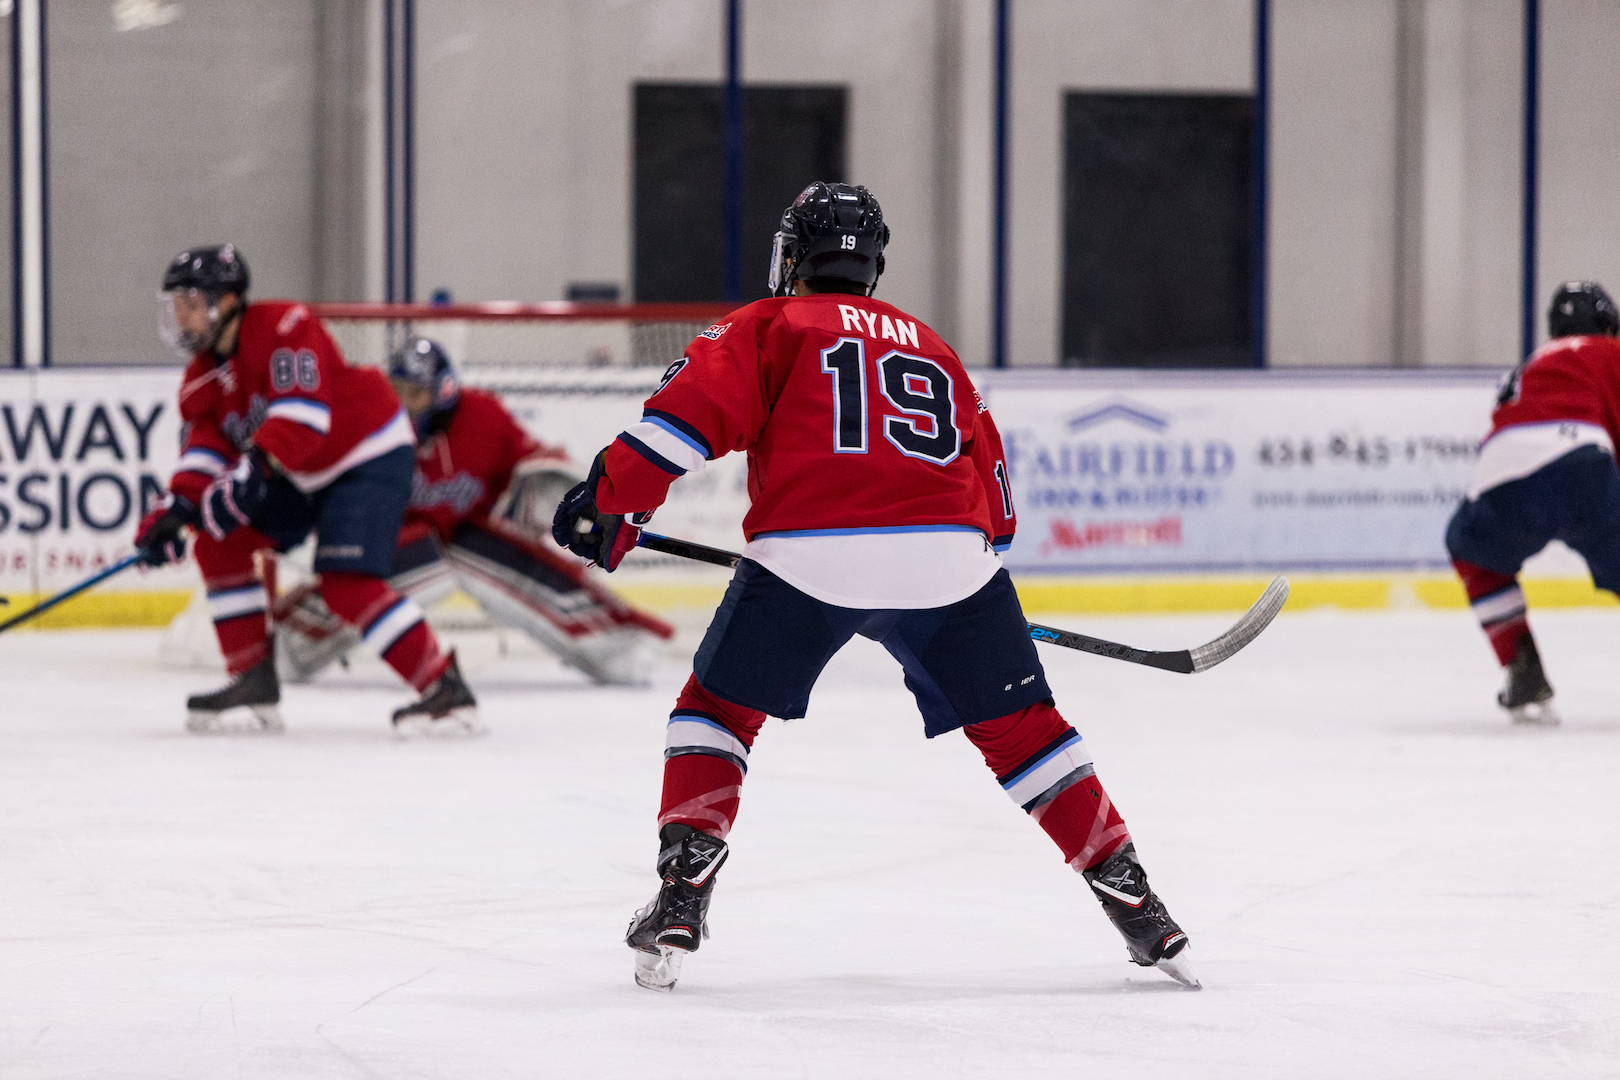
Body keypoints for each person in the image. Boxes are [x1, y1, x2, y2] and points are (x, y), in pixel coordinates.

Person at [554, 182, 1197, 992]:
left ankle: (683, 896)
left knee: (717, 712)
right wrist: (961, 581)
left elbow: (681, 425)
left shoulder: (766, 323)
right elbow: (997, 509)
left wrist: (610, 500)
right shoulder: (933, 345)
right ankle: (1139, 905)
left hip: (809, 562)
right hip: (955, 566)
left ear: (796, 253)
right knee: (1027, 733)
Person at [133, 245, 479, 735]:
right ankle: (252, 678)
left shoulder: (284, 326)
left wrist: (252, 471)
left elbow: (305, 416)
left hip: (368, 451)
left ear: (227, 300)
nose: (182, 317)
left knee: (347, 583)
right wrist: (176, 509)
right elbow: (206, 451)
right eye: (177, 306)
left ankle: (444, 688)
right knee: (218, 539)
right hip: (299, 470)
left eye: (191, 302)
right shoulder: (199, 380)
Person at [273, 337, 674, 685]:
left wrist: (568, 493)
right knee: (361, 577)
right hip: (395, 543)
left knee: (504, 560)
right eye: (397, 389)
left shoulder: (482, 417)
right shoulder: (374, 424)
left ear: (443, 390)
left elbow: (531, 461)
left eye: (416, 393)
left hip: (469, 535)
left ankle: (611, 645)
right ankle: (291, 645)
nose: (404, 403)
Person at [1446, 280, 1620, 725]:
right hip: (1581, 463)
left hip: (1502, 475)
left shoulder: (1528, 367)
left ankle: (1521, 666)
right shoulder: (1608, 354)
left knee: (1472, 552)